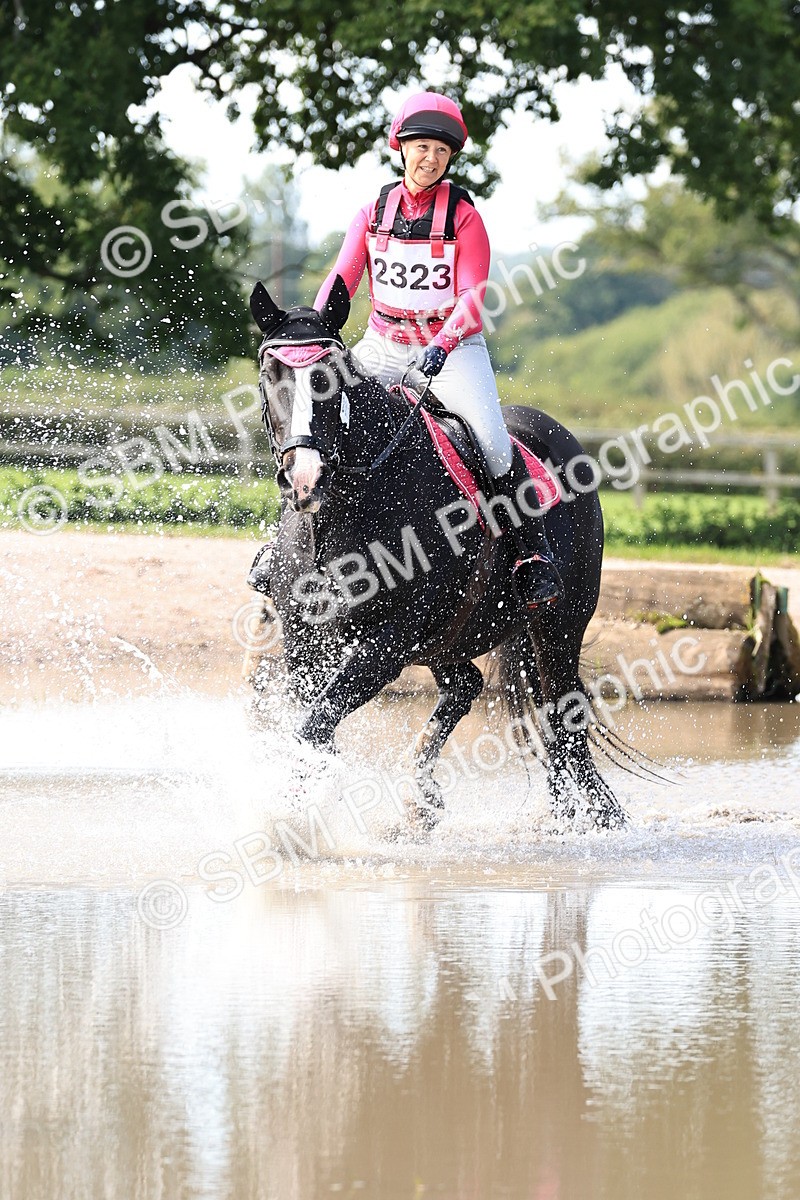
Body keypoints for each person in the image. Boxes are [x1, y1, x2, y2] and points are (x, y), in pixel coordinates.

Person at [313, 91, 562, 608]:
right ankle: (289, 544)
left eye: (442, 151)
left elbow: (473, 297)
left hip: (452, 349)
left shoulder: (465, 218)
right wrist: (316, 329)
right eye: (422, 147)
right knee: (319, 419)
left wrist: (443, 345)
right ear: (401, 147)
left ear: (451, 158)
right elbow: (342, 280)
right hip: (382, 344)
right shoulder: (371, 213)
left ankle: (530, 557)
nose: (431, 158)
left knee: (493, 443)